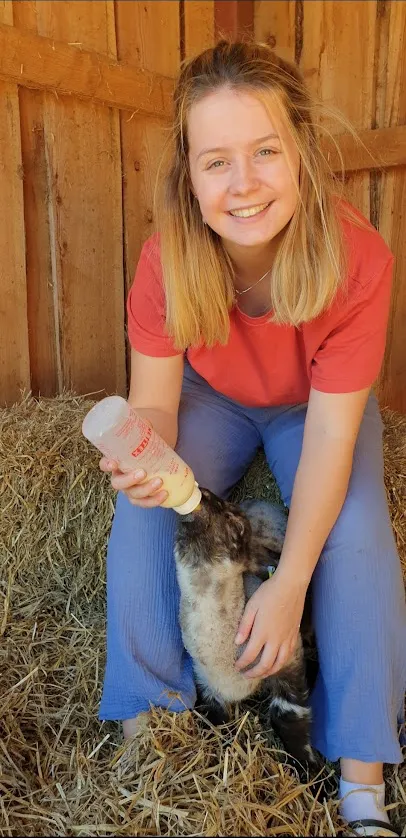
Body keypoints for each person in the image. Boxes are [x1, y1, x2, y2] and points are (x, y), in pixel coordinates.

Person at [98, 41, 405, 837]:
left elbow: (335, 439)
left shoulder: (359, 261)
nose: (243, 184)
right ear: (188, 175)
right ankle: (147, 729)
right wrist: (145, 453)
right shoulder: (167, 259)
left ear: (301, 152)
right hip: (213, 397)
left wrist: (289, 581)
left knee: (359, 530)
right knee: (142, 512)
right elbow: (157, 405)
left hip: (316, 406)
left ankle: (363, 780)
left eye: (266, 152)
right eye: (217, 161)